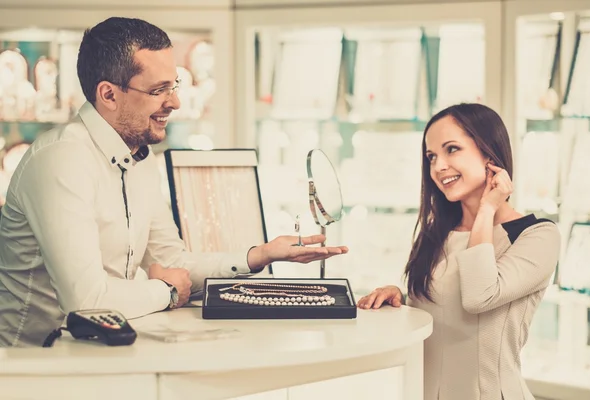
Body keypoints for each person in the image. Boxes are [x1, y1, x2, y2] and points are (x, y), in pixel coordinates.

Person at [0, 17, 348, 348]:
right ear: (108, 95)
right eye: (159, 90)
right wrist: (165, 290)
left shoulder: (138, 156)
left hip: (100, 350)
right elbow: (87, 300)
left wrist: (259, 255)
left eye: (174, 85)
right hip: (34, 364)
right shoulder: (63, 159)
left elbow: (174, 261)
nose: (176, 102)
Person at [357, 103, 560, 400]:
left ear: (489, 154)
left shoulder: (536, 234)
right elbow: (439, 317)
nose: (439, 166)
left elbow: (480, 295)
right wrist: (401, 299)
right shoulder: (436, 233)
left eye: (452, 149)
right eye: (431, 157)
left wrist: (488, 208)